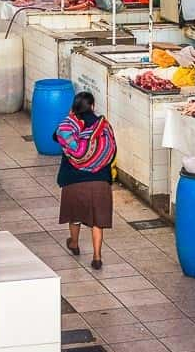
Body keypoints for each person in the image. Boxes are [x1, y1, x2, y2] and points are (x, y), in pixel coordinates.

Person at [55, 92, 117, 270]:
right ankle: (97, 256)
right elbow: (112, 150)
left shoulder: (68, 127)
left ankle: (74, 243)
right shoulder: (103, 127)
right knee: (97, 221)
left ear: (74, 107)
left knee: (75, 217)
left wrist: (69, 116)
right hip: (100, 182)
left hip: (74, 180)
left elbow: (56, 136)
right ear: (93, 106)